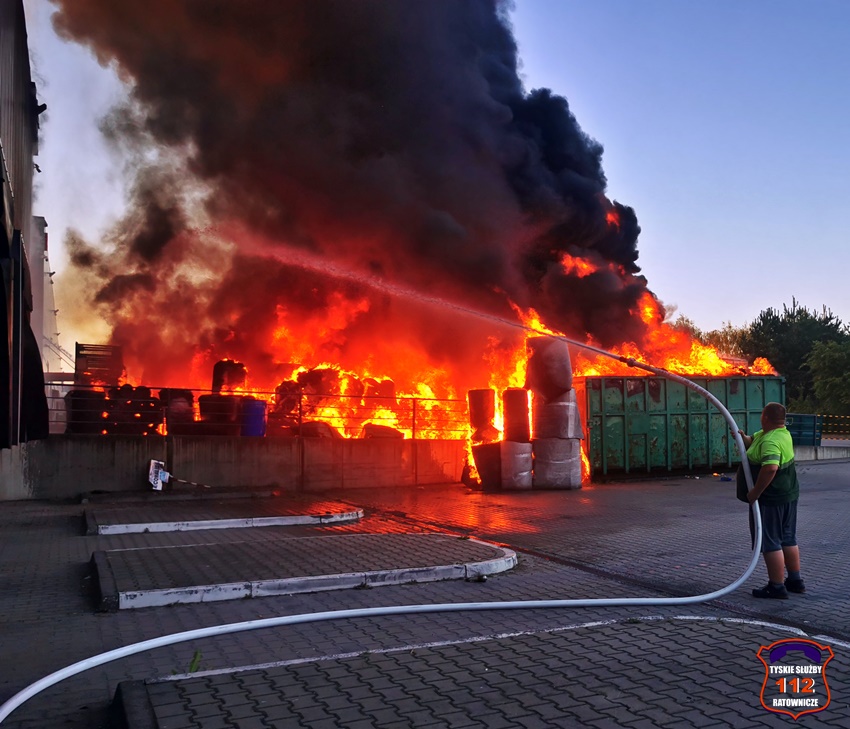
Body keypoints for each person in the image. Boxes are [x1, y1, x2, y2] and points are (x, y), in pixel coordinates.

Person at [737, 402, 805, 599]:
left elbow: (770, 468)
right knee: (788, 537)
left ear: (765, 417)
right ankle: (795, 580)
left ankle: (777, 586)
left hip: (772, 498)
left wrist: (755, 492)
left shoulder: (771, 441)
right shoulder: (780, 433)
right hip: (788, 495)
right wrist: (743, 438)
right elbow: (753, 441)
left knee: (770, 541)